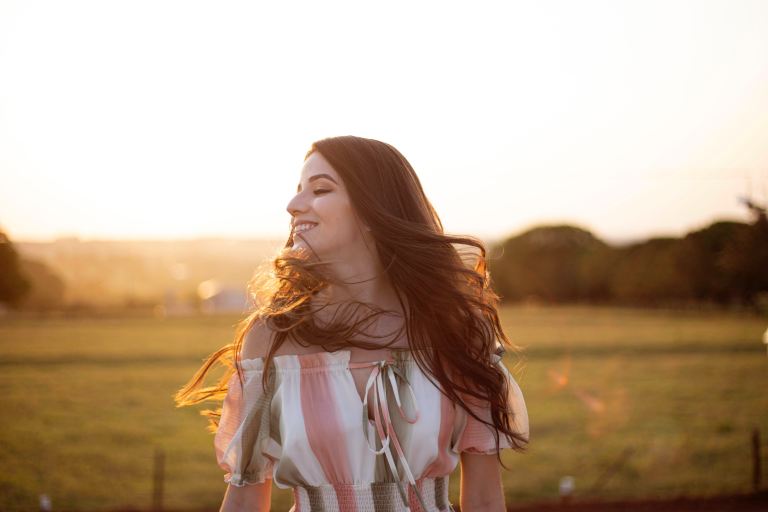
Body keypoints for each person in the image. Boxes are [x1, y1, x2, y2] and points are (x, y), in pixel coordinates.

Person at [174, 135, 530, 511]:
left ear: (374, 208)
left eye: (320, 189)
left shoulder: (454, 332)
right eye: (298, 191)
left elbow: (485, 499)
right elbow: (245, 498)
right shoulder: (271, 338)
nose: (294, 206)